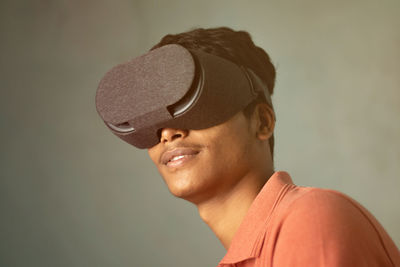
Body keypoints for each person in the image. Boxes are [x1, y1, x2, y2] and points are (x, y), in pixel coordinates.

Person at [96, 27, 400, 266]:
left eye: (195, 106)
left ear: (262, 123)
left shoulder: (307, 218)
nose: (168, 133)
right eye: (155, 120)